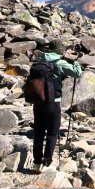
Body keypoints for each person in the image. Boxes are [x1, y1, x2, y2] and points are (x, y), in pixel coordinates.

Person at [32, 39, 82, 172]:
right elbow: (78, 73)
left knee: (38, 132)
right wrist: (74, 61)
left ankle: (37, 162)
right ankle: (47, 163)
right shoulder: (60, 63)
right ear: (60, 50)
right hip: (53, 102)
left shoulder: (40, 61)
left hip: (38, 101)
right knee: (52, 133)